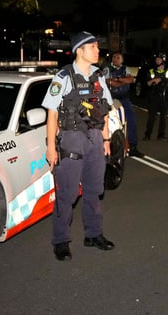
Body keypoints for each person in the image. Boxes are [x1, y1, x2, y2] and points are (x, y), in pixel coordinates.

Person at [41, 31, 115, 261]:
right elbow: (52, 114)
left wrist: (106, 140)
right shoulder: (63, 77)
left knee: (94, 190)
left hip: (95, 138)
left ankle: (93, 234)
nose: (97, 50)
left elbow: (104, 109)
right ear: (79, 51)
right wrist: (51, 147)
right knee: (68, 194)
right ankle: (61, 240)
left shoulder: (98, 75)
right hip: (71, 138)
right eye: (93, 46)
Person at [100, 51, 143, 158]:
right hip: (112, 99)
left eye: (118, 57)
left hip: (124, 98)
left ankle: (133, 147)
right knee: (113, 122)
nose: (115, 59)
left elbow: (132, 79)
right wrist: (124, 81)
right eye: (114, 57)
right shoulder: (107, 69)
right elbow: (109, 82)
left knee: (131, 121)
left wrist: (118, 79)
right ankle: (111, 146)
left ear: (122, 60)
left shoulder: (126, 69)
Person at [143, 52, 168, 141]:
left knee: (163, 117)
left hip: (165, 97)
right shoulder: (151, 71)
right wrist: (153, 80)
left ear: (163, 60)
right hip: (154, 96)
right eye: (156, 59)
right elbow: (147, 83)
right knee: (151, 117)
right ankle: (147, 134)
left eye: (159, 59)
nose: (157, 61)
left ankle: (161, 135)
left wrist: (160, 79)